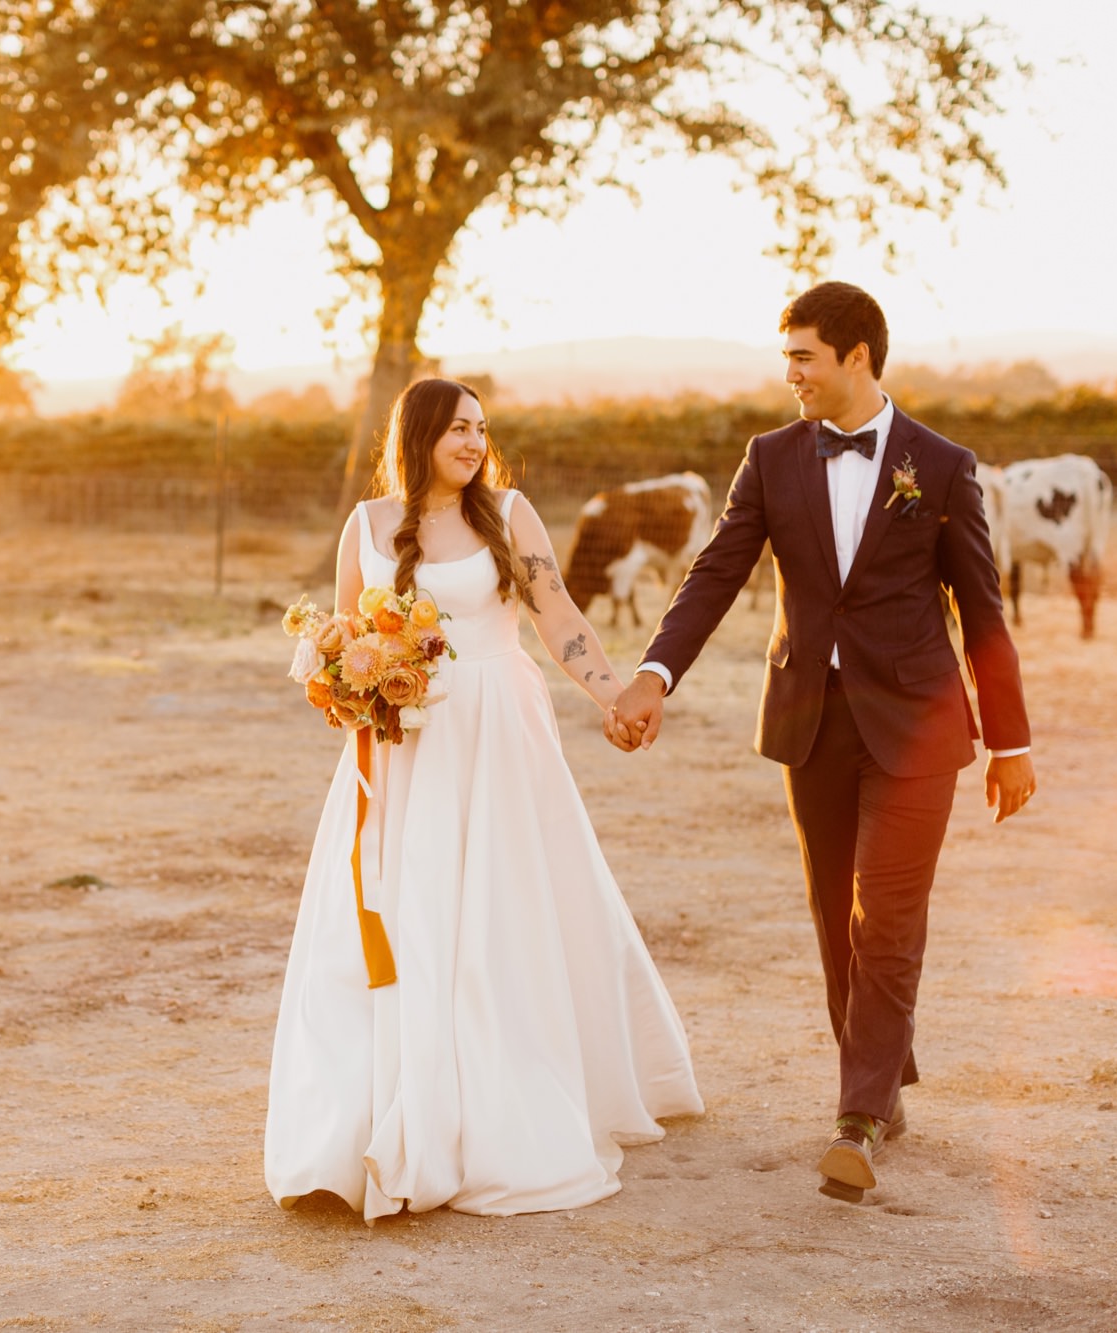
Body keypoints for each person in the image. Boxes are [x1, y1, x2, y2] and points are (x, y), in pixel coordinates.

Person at [608, 281, 1035, 1203]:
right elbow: (715, 573)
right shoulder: (769, 460)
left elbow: (984, 611)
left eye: (803, 356)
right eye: (786, 357)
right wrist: (655, 674)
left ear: (857, 357)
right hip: (813, 719)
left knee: (887, 912)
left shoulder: (943, 464)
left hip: (920, 721)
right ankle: (885, 1073)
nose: (789, 374)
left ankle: (857, 1118)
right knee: (835, 913)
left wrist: (1011, 741)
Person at [264, 377, 702, 1222]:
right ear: (420, 432)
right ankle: (355, 1125)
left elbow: (557, 612)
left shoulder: (510, 512)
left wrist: (614, 694)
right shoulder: (367, 526)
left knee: (509, 907)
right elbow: (352, 639)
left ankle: (513, 1096)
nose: (474, 441)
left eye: (481, 427)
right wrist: (350, 687)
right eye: (458, 427)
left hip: (502, 729)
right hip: (410, 748)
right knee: (411, 912)